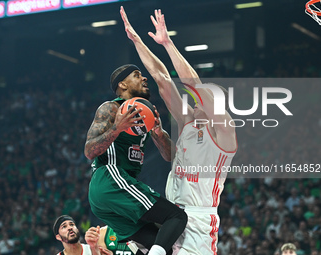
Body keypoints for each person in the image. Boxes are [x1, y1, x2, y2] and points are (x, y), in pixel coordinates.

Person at [120, 7, 237, 255]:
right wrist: (137, 40)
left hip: (198, 224)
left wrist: (169, 44)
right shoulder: (188, 125)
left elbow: (194, 85)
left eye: (203, 99)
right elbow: (163, 80)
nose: (195, 102)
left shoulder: (225, 134)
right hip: (170, 217)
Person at [84, 10, 188, 255]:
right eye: (137, 75)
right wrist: (117, 128)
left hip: (110, 193)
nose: (144, 78)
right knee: (176, 217)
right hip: (111, 179)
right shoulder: (111, 108)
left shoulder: (144, 114)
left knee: (163, 245)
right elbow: (89, 151)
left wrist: (159, 134)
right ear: (123, 84)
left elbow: (171, 156)